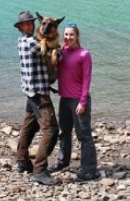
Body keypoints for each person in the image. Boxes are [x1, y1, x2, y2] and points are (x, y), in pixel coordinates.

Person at [48, 22, 100, 181]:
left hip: (78, 100)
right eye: (66, 34)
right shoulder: (61, 51)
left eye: (71, 34)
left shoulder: (84, 54)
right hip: (64, 99)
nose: (68, 37)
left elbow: (87, 80)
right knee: (64, 133)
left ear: (77, 36)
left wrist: (83, 102)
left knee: (84, 135)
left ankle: (89, 169)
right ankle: (62, 162)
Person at [13, 10, 60, 185]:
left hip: (29, 90)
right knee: (51, 130)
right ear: (20, 27)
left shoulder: (21, 41)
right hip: (39, 93)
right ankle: (39, 170)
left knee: (29, 127)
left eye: (32, 22)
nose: (31, 25)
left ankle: (23, 161)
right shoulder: (32, 43)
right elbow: (57, 56)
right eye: (27, 24)